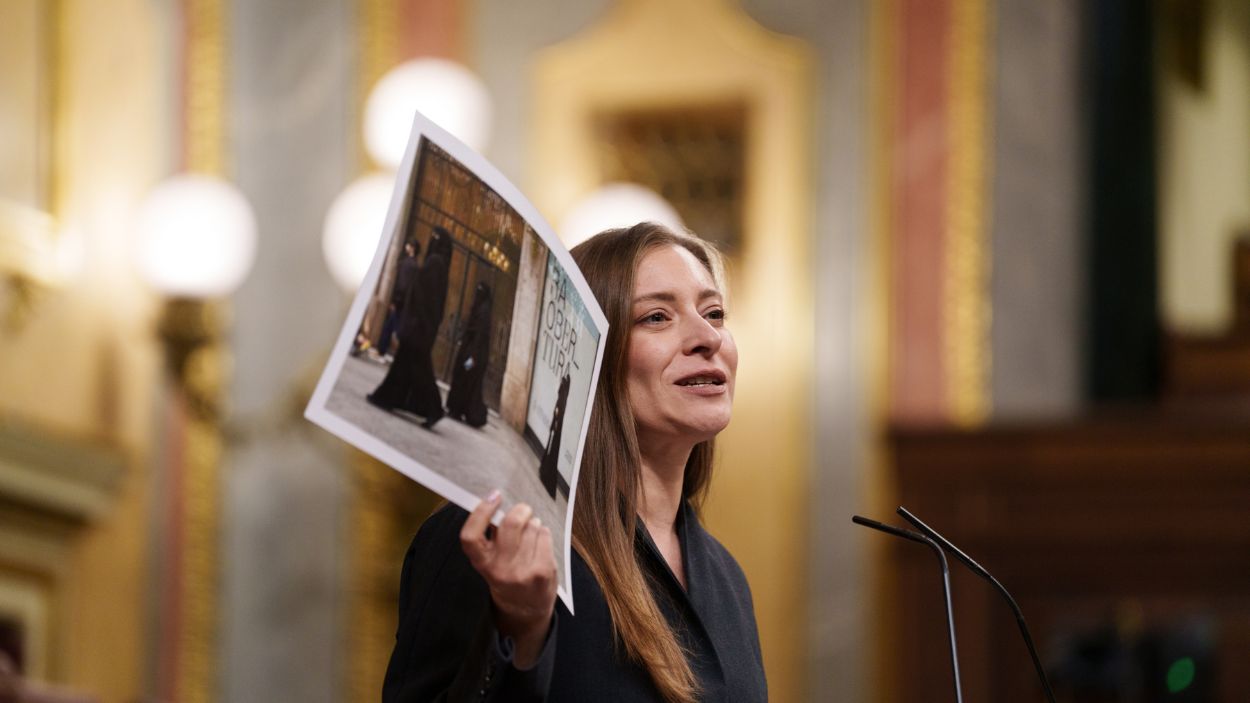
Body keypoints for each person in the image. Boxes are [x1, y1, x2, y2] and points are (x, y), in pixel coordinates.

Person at [381, 223, 765, 702]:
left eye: (714, 312)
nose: (707, 336)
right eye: (656, 317)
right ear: (586, 359)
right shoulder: (492, 540)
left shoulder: (727, 578)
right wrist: (521, 631)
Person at [368, 226, 454, 428]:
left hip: (418, 328)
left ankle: (433, 409)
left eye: (434, 238)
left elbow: (425, 299)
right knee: (403, 367)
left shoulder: (435, 263)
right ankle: (389, 398)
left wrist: (414, 322)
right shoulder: (439, 265)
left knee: (420, 371)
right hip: (420, 328)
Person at [446, 282, 494, 427]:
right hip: (469, 352)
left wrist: (472, 357)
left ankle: (460, 410)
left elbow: (480, 336)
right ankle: (456, 409)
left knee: (465, 379)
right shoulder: (479, 308)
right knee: (464, 379)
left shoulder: (484, 311)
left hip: (473, 355)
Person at [378, 239, 422, 360]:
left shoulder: (407, 264)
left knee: (393, 328)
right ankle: (384, 350)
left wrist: (396, 300)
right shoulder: (415, 266)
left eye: (408, 245)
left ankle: (384, 350)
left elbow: (402, 284)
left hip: (400, 301)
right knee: (393, 326)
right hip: (406, 303)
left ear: (412, 248)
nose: (406, 246)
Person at [536, 373, 570, 499]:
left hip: (557, 421)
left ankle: (547, 474)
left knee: (553, 446)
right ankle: (546, 471)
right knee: (552, 446)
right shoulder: (564, 391)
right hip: (557, 420)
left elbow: (560, 406)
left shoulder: (564, 392)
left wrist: (556, 421)